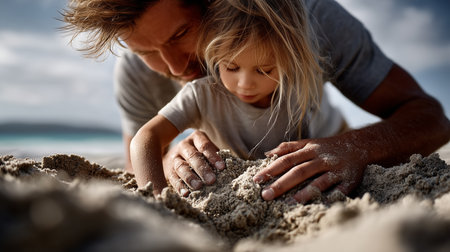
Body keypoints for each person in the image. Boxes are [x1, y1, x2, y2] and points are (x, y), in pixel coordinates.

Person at [61, 0, 450, 203]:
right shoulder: (136, 70)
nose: (175, 66)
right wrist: (169, 158)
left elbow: (431, 118)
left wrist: (353, 149)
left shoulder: (307, 20)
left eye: (180, 33)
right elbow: (138, 153)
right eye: (145, 51)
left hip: (323, 135)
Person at [129, 0, 348, 195]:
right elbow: (145, 138)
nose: (245, 84)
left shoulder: (297, 86)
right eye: (231, 67)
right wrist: (158, 200)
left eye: (264, 70)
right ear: (213, 55)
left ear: (288, 62)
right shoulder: (202, 94)